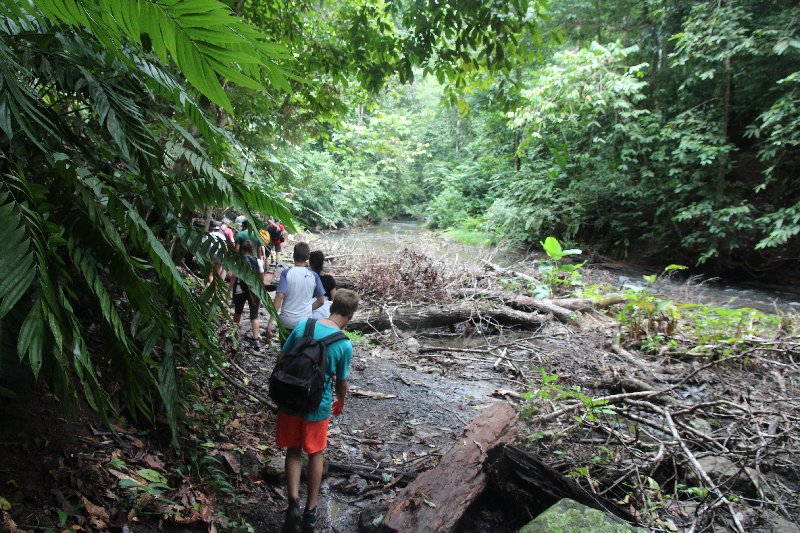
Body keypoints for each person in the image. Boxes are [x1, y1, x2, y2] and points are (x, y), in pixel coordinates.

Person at [276, 289, 359, 532]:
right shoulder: (343, 344)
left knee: (293, 451)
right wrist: (340, 400)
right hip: (317, 405)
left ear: (332, 307)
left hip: (290, 398)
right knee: (315, 454)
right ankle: (310, 512)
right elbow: (341, 382)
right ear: (350, 316)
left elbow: (281, 357)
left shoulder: (303, 326)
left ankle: (292, 504)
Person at [267, 242, 325, 338]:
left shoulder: (286, 273)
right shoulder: (314, 276)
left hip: (287, 321)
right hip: (305, 322)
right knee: (301, 351)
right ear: (307, 258)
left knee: (285, 351)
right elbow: (321, 301)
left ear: (293, 256)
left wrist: (270, 322)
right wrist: (307, 309)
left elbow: (279, 296)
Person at [229, 240, 265, 342]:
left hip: (240, 289)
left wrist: (229, 290)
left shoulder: (239, 261)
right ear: (252, 249)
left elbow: (234, 277)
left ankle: (233, 334)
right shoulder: (258, 261)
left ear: (242, 250)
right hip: (254, 290)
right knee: (254, 316)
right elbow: (262, 275)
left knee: (238, 312)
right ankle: (256, 338)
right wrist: (259, 287)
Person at [309, 251, 336, 320]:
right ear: (322, 263)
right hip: (326, 311)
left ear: (310, 263)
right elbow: (334, 299)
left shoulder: (307, 278)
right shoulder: (329, 279)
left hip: (309, 309)